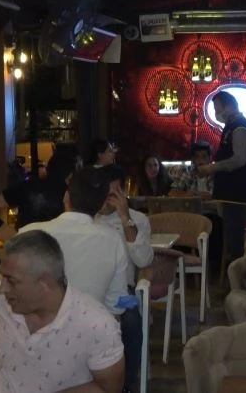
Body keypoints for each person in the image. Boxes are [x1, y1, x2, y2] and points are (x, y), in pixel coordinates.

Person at [0, 230, 124, 393]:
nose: (2, 288)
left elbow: (109, 388)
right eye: (3, 277)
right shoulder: (2, 297)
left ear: (45, 283)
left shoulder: (97, 325)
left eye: (12, 281)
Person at [18, 166, 129, 316]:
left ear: (66, 196)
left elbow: (2, 293)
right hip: (88, 326)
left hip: (33, 327)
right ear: (103, 204)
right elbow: (117, 304)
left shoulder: (28, 233)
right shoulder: (113, 240)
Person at [96, 164, 153, 392]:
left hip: (122, 289)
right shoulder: (86, 217)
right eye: (103, 193)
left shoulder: (137, 219)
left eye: (113, 194)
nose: (106, 200)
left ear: (122, 193)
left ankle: (127, 384)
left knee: (131, 321)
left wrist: (125, 218)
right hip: (89, 285)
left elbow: (143, 260)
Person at [196, 90, 246, 261]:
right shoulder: (231, 127)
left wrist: (211, 168)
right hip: (231, 194)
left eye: (217, 108)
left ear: (229, 106)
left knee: (235, 238)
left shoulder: (240, 127)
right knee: (230, 236)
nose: (216, 113)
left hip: (237, 194)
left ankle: (237, 272)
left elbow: (239, 159)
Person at [0, 146, 78, 229]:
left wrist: (7, 233)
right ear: (70, 175)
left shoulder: (25, 187)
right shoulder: (70, 194)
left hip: (25, 239)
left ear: (48, 169)